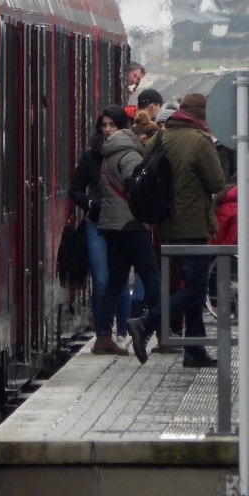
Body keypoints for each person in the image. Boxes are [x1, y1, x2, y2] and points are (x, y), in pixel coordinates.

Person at [129, 91, 225, 368]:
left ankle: (194, 352)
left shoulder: (159, 138)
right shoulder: (198, 141)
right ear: (201, 117)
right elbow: (217, 183)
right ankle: (145, 323)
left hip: (164, 225)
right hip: (193, 225)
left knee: (189, 288)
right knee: (195, 289)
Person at [94, 108, 160, 357]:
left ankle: (102, 337)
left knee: (115, 282)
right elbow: (137, 187)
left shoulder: (108, 154)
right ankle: (159, 330)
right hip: (131, 224)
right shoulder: (129, 155)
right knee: (152, 278)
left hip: (112, 226)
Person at [69, 109, 131, 350]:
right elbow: (75, 190)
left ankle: (122, 333)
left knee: (122, 280)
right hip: (96, 222)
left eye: (112, 125)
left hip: (123, 224)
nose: (107, 130)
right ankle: (103, 334)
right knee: (101, 280)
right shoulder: (90, 156)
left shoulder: (131, 154)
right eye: (104, 125)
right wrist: (90, 203)